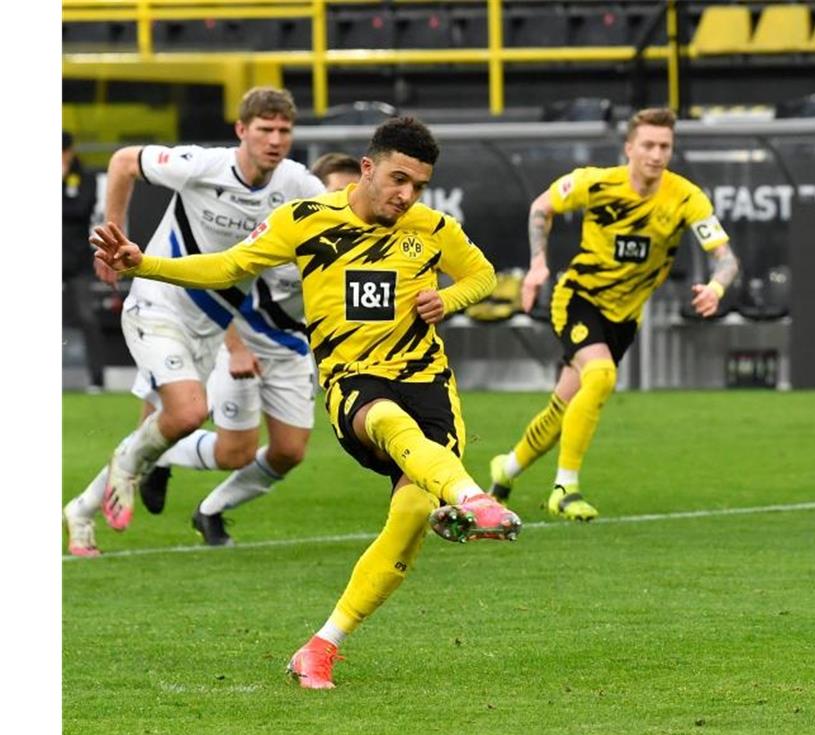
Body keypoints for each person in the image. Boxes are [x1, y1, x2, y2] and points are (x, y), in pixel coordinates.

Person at [90, 116, 522, 690]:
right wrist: (146, 265)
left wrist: (449, 297)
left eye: (418, 185)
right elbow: (229, 266)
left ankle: (321, 646)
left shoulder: (433, 227)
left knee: (413, 512)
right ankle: (472, 497)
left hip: (428, 381)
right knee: (389, 424)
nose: (406, 195)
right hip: (352, 381)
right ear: (367, 168)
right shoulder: (305, 220)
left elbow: (482, 273)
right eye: (398, 179)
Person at [62, 86, 326, 557]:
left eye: (284, 131)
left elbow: (342, 219)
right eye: (265, 129)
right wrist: (114, 237)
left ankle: (81, 510)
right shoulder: (204, 165)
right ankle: (129, 465)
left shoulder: (296, 183)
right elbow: (123, 161)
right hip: (158, 305)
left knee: (174, 423)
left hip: (211, 328)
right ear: (241, 131)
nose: (275, 139)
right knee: (186, 413)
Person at [486, 107, 740, 521]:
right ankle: (565, 488)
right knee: (602, 375)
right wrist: (537, 264)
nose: (657, 154)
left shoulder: (686, 197)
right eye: (649, 145)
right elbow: (540, 207)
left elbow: (726, 258)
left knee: (564, 406)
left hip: (624, 318)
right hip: (578, 297)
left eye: (665, 146)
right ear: (629, 148)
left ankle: (507, 468)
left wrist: (716, 286)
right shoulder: (597, 182)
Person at [136, 155, 362, 546]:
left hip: (291, 346)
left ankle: (210, 511)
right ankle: (160, 451)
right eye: (336, 193)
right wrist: (235, 347)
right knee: (233, 452)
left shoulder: (358, 242)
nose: (344, 201)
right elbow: (223, 284)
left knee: (289, 452)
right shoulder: (281, 229)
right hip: (240, 338)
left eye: (351, 193)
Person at [62, 130, 105, 393]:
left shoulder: (85, 177)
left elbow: (81, 209)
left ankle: (97, 379)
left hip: (76, 259)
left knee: (87, 317)